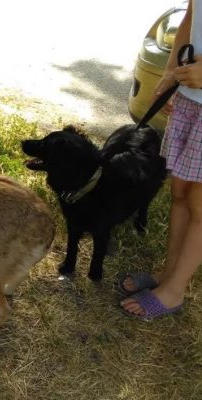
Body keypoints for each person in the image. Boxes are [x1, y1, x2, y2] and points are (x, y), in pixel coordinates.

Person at [119, 0, 202, 320]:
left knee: (199, 206)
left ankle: (174, 290)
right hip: (191, 98)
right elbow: (192, 15)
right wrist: (171, 72)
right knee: (179, 196)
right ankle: (168, 275)